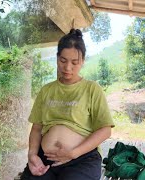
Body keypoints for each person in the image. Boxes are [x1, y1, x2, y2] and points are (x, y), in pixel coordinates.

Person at [21, 29, 115, 180]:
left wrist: (72, 153)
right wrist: (32, 155)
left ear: (83, 61)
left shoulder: (91, 89)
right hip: (46, 159)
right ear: (57, 57)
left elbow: (105, 130)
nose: (67, 67)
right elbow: (37, 128)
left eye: (74, 62)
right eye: (63, 61)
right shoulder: (46, 90)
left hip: (82, 160)